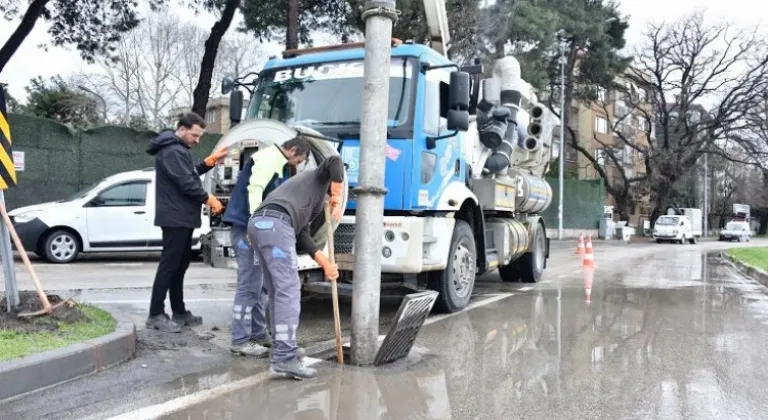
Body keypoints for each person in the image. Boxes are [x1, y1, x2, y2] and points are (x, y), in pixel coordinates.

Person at [248, 154, 344, 380]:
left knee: (277, 292)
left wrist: (324, 263)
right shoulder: (318, 177)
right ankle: (284, 357)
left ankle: (283, 346)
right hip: (276, 226)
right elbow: (334, 161)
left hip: (259, 225)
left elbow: (302, 234)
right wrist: (338, 197)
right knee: (289, 292)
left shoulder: (306, 196)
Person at [223, 136, 311, 356]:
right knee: (249, 285)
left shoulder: (277, 163)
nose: (297, 165)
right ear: (292, 151)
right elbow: (255, 189)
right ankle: (240, 340)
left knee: (260, 285)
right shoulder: (269, 158)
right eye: (299, 160)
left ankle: (258, 334)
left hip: (252, 229)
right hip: (247, 230)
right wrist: (255, 224)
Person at [145, 112, 227, 333]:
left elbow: (188, 175)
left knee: (179, 266)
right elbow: (186, 184)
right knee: (169, 266)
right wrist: (209, 199)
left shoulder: (178, 150)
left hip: (181, 217)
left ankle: (179, 312)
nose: (197, 140)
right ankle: (155, 314)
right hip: (175, 218)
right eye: (194, 135)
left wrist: (208, 164)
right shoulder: (172, 151)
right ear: (181, 129)